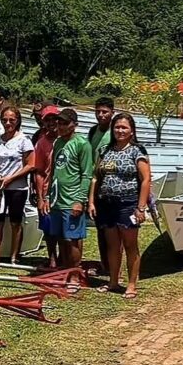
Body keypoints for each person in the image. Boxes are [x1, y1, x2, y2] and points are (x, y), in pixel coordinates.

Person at [88, 113, 151, 299]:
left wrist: (140, 207)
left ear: (132, 131)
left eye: (124, 127)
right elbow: (96, 177)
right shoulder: (105, 151)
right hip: (106, 204)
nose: (120, 131)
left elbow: (146, 179)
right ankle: (113, 281)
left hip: (128, 204)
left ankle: (131, 285)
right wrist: (91, 201)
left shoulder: (137, 151)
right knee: (112, 246)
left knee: (130, 245)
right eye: (117, 127)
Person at [0, 106, 34, 264]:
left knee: (15, 222)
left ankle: (14, 256)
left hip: (17, 188)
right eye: (5, 120)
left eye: (11, 120)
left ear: (17, 121)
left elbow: (30, 165)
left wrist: (11, 178)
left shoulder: (24, 140)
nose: (8, 123)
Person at [48, 108, 93, 272]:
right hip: (57, 200)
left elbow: (87, 174)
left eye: (65, 123)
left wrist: (80, 200)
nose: (60, 126)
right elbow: (53, 171)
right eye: (59, 122)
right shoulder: (58, 142)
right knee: (60, 238)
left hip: (72, 200)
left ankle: (74, 274)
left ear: (74, 125)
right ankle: (64, 271)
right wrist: (48, 196)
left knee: (72, 239)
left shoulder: (82, 144)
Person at [88, 97, 115, 275]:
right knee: (101, 228)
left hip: (112, 185)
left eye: (104, 112)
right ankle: (105, 265)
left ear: (112, 112)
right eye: (98, 111)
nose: (101, 115)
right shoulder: (92, 132)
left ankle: (114, 267)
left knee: (114, 231)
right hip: (96, 184)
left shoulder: (117, 131)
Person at [34, 105, 60, 268]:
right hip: (47, 190)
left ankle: (66, 258)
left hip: (65, 191)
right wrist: (40, 197)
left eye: (53, 119)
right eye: (47, 120)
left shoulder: (68, 140)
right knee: (49, 228)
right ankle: (52, 257)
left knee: (65, 229)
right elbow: (38, 171)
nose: (51, 123)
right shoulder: (41, 143)